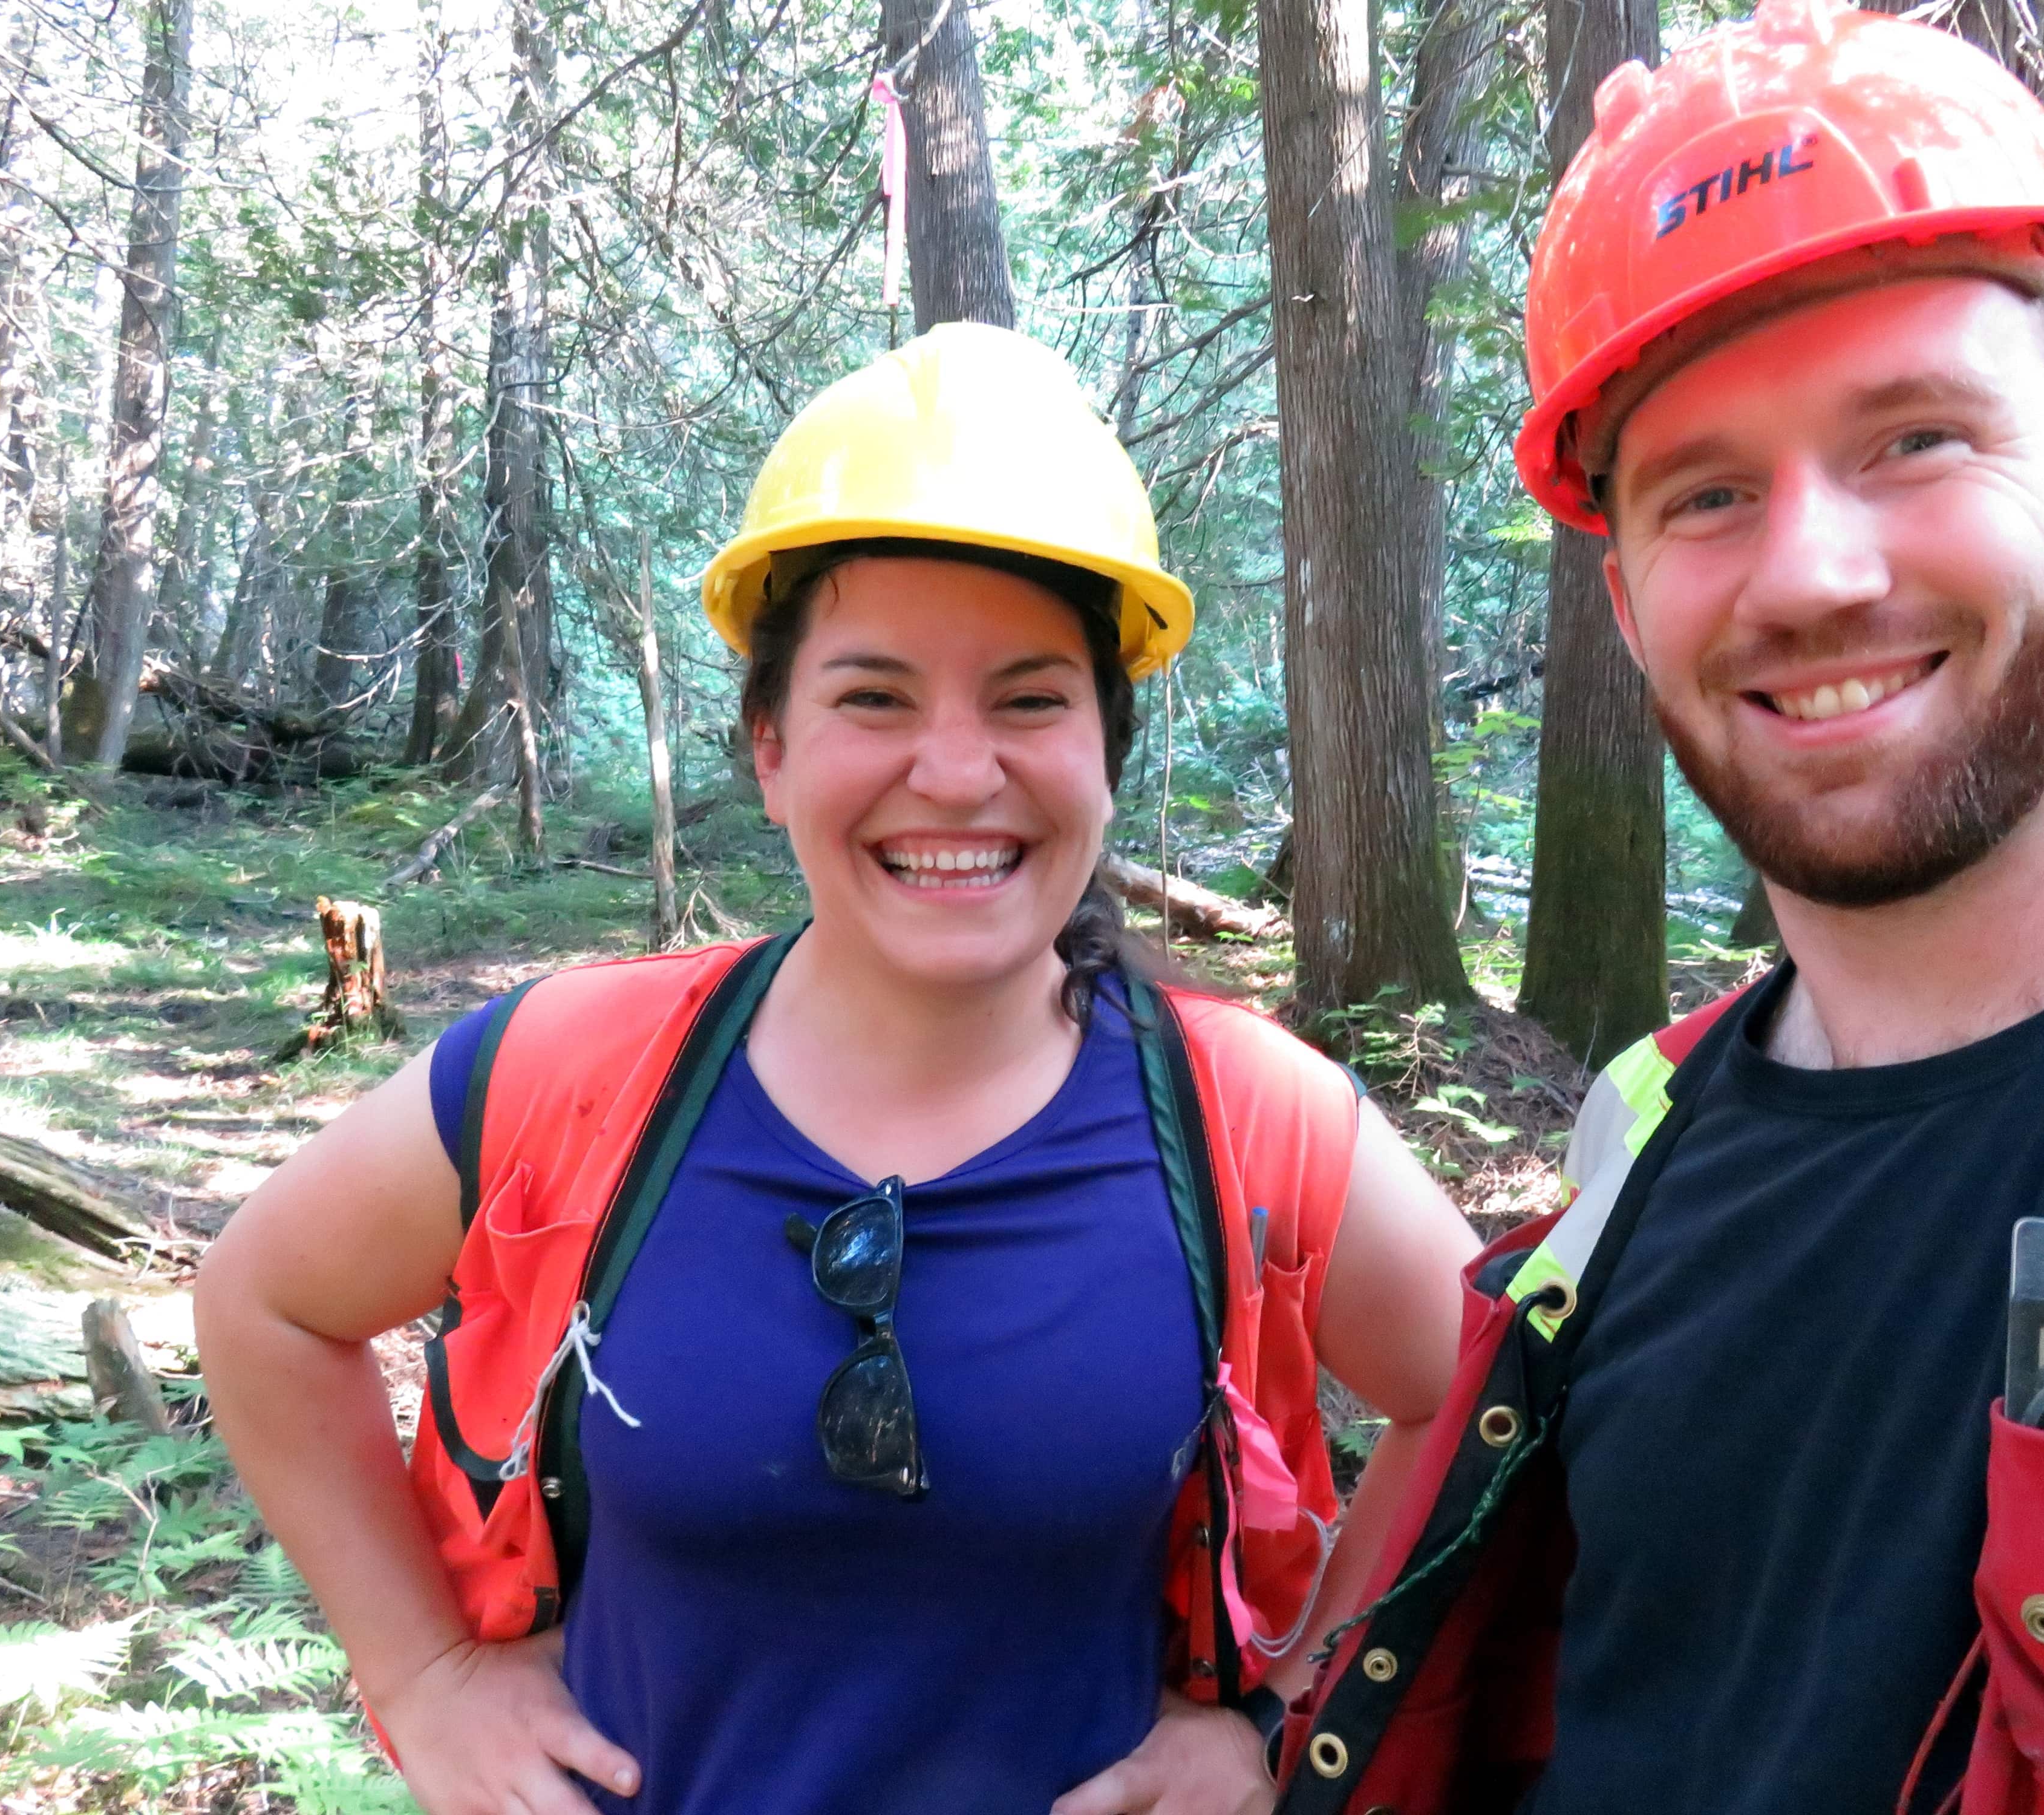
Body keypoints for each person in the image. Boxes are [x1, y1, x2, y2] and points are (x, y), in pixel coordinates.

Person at [1270, 5, 2044, 1815]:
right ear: (1628, 612)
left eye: (1918, 439)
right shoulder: (1644, 1132)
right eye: (1708, 493)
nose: (1813, 572)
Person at [195, 323, 1480, 1815]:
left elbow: (1484, 1410)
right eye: (872, 697)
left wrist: (1283, 1712)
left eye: (1028, 698)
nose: (954, 770)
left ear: (1103, 752)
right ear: (769, 748)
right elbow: (264, 1302)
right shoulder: (573, 1071)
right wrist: (419, 1674)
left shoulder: (1247, 1118)